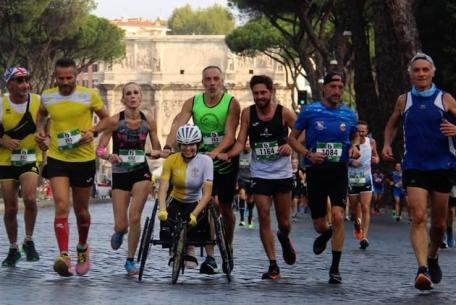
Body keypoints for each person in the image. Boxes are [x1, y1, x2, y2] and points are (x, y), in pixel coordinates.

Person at [382, 53, 456, 290]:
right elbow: (392, 123)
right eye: (417, 70)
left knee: (439, 224)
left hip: (443, 165)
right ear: (411, 74)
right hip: (414, 165)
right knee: (418, 216)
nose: (421, 74)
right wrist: (385, 143)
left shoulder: (445, 99)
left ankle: (433, 255)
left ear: (433, 72)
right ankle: (421, 269)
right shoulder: (404, 100)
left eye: (425, 70)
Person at [35, 58, 109, 277]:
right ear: (55, 77)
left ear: (76, 76)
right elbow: (41, 116)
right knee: (61, 204)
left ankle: (83, 248)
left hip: (83, 159)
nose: (65, 82)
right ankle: (64, 255)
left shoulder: (90, 95)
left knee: (82, 210)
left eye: (69, 78)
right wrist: (41, 131)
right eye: (61, 78)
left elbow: (107, 120)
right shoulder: (48, 96)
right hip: (58, 158)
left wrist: (93, 131)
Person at [218, 75, 296, 280]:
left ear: (271, 92)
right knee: (263, 215)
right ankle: (273, 264)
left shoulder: (284, 113)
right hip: (260, 174)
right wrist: (228, 154)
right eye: (256, 93)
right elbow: (240, 141)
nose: (260, 96)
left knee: (284, 222)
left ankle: (284, 237)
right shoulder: (248, 113)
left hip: (282, 174)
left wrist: (290, 145)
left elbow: (301, 134)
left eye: (263, 92)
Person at [163, 65, 240, 274]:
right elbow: (178, 124)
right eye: (208, 79)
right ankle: (209, 255)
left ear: (222, 80)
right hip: (197, 159)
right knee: (200, 200)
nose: (212, 83)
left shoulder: (231, 103)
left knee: (223, 207)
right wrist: (168, 147)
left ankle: (228, 245)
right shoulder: (193, 102)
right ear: (202, 81)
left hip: (223, 160)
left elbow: (230, 135)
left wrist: (216, 152)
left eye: (216, 79)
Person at [289, 71, 359, 284]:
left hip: (338, 170)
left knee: (338, 216)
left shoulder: (349, 114)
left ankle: (335, 268)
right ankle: (325, 234)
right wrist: (308, 154)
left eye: (340, 87)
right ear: (325, 88)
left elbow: (355, 134)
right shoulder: (310, 111)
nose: (337, 91)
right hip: (316, 172)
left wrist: (355, 146)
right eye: (333, 87)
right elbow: (292, 139)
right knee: (320, 225)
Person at [96, 82, 162, 275]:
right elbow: (100, 149)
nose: (132, 96)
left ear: (140, 97)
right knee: (122, 224)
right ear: (123, 99)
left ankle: (130, 260)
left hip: (141, 171)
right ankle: (119, 231)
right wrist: (109, 156)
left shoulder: (148, 119)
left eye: (136, 93)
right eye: (128, 94)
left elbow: (156, 146)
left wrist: (156, 152)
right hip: (120, 173)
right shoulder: (114, 121)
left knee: (135, 216)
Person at [0, 67, 41, 266]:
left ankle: (29, 240)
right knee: (10, 209)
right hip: (6, 161)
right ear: (9, 84)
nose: (24, 84)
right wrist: (4, 141)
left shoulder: (38, 101)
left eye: (26, 79)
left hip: (30, 158)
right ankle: (13, 247)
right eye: (19, 80)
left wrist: (46, 139)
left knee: (31, 198)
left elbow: (48, 125)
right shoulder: (1, 103)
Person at [157, 124, 213, 268]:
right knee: (167, 225)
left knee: (196, 225)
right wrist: (162, 209)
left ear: (198, 144)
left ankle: (190, 250)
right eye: (184, 145)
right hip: (176, 198)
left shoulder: (206, 161)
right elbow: (163, 188)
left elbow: (207, 194)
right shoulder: (171, 160)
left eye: (192, 145)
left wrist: (195, 213)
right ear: (179, 145)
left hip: (196, 200)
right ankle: (174, 248)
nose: (188, 149)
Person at [347, 121, 380, 250]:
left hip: (366, 178)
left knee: (365, 207)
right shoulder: (349, 143)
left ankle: (364, 237)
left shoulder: (371, 142)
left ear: (366, 132)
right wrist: (350, 161)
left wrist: (376, 159)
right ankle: (357, 225)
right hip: (352, 178)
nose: (360, 133)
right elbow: (342, 158)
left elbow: (376, 156)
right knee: (355, 209)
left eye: (363, 131)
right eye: (358, 131)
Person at [237, 141, 254, 228]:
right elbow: (236, 168)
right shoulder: (239, 154)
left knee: (250, 201)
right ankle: (242, 219)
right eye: (245, 144)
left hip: (251, 179)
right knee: (242, 196)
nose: (246, 146)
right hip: (242, 179)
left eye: (248, 144)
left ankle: (250, 221)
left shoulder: (253, 154)